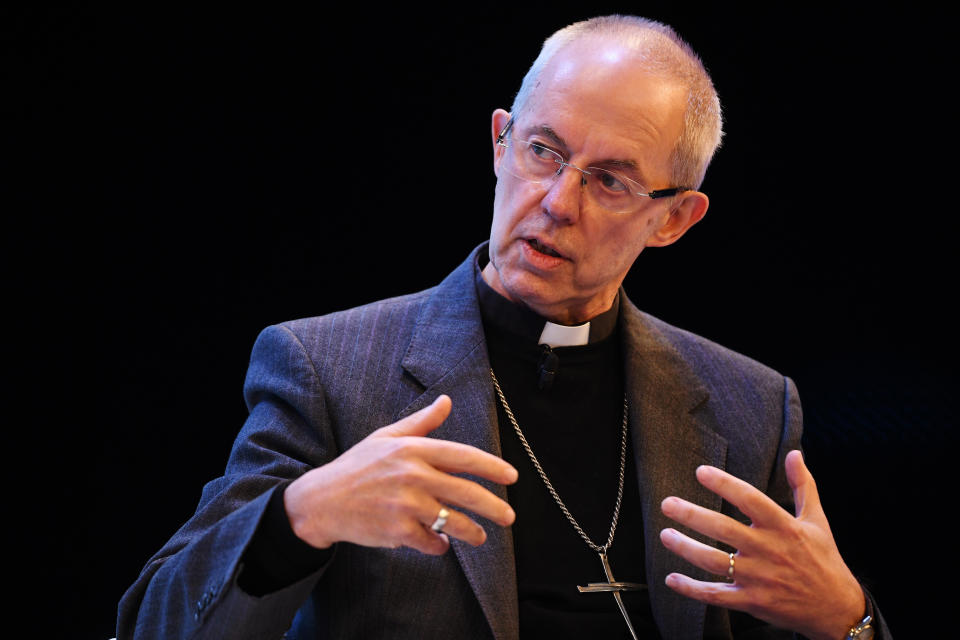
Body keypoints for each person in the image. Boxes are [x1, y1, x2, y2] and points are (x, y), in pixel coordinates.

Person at [117, 15, 889, 640]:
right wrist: (302, 516)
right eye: (543, 151)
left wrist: (847, 620)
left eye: (611, 181)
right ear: (499, 142)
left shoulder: (749, 403)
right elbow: (153, 624)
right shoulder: (328, 368)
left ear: (675, 220)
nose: (557, 201)